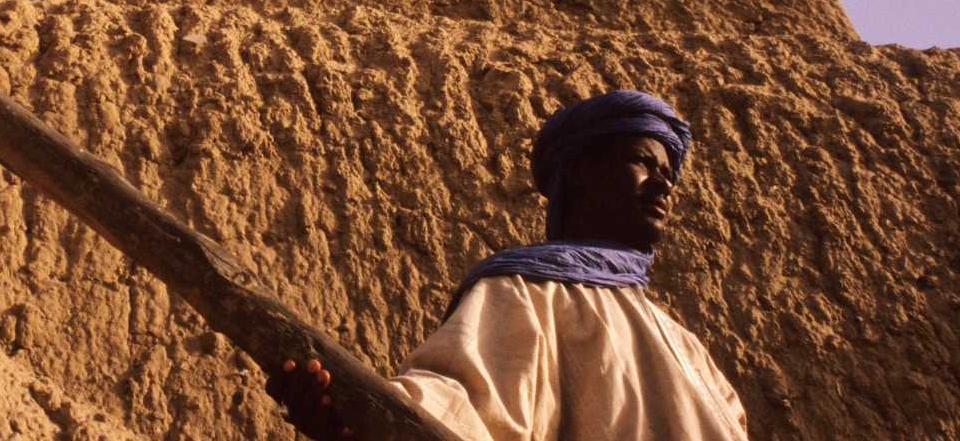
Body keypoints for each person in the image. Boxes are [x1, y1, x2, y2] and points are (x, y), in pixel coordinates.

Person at [267, 90, 748, 441]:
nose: (663, 184)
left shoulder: (690, 349)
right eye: (643, 162)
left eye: (668, 173)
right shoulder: (527, 292)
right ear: (579, 172)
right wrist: (356, 418)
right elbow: (460, 406)